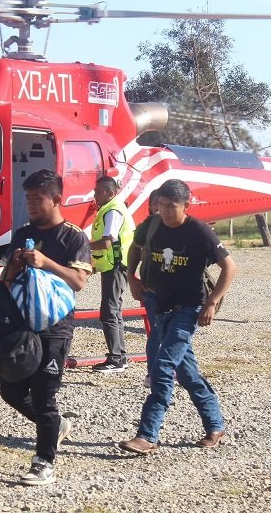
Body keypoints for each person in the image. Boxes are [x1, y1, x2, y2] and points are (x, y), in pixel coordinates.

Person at [119, 179, 236, 454]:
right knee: (186, 370)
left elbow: (229, 267)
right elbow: (134, 247)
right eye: (161, 206)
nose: (165, 212)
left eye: (171, 207)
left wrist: (211, 302)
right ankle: (215, 425)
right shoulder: (152, 224)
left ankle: (147, 435)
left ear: (186, 205)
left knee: (162, 366)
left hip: (189, 308)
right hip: (157, 303)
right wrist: (132, 277)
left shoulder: (200, 231)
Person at [0, 169, 92, 486]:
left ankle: (43, 462)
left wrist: (46, 263)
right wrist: (12, 266)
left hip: (55, 327)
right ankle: (57, 426)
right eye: (27, 198)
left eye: (37, 198)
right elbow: (8, 281)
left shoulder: (74, 237)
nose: (31, 205)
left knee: (44, 396)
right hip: (23, 326)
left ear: (56, 199)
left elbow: (79, 281)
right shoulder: (22, 232)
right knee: (10, 391)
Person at [90, 176, 135, 373]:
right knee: (113, 310)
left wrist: (80, 246)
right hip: (111, 265)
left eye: (98, 192)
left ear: (110, 193)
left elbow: (107, 241)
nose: (94, 195)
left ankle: (116, 358)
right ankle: (119, 356)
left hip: (115, 266)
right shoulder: (110, 208)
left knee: (109, 311)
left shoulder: (113, 211)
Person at [140, 188, 162, 388]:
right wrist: (131, 278)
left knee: (177, 332)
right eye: (156, 203)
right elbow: (134, 250)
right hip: (152, 290)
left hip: (177, 291)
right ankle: (152, 373)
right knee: (157, 331)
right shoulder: (147, 228)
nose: (159, 208)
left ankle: (179, 370)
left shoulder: (184, 228)